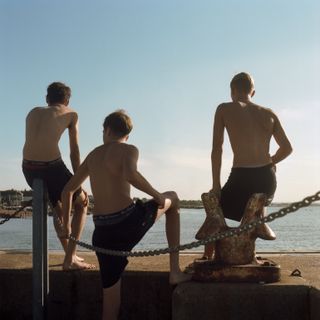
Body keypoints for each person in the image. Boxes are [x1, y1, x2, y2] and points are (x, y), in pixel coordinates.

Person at [61, 110, 191, 320]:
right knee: (173, 198)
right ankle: (174, 271)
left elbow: (67, 190)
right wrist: (157, 195)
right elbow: (130, 174)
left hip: (102, 233)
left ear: (107, 130)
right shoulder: (129, 149)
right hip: (127, 223)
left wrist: (67, 226)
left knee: (110, 306)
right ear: (127, 135)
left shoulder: (94, 154)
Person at [202, 72, 292, 260]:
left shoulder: (224, 109)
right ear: (253, 92)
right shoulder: (269, 113)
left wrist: (216, 185)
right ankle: (257, 231)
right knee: (253, 213)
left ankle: (207, 257)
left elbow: (216, 149)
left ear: (232, 91)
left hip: (241, 177)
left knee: (214, 213)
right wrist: (270, 162)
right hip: (266, 178)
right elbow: (287, 148)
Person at [22, 82, 92, 269]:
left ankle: (71, 257)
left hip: (28, 168)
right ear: (67, 99)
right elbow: (74, 152)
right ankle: (71, 258)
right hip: (51, 167)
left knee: (58, 207)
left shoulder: (32, 112)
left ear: (47, 99)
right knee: (82, 203)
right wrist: (78, 182)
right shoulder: (71, 114)